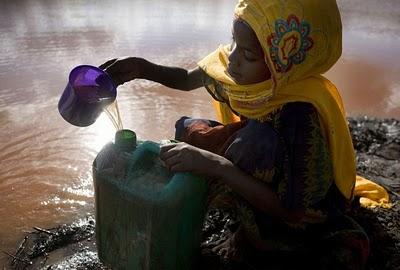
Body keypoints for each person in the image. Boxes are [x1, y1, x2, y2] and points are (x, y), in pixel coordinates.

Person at [100, 0, 390, 268]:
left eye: (248, 54)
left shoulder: (300, 113)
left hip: (298, 210)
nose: (233, 59)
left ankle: (253, 234)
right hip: (261, 157)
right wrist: (141, 68)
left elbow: (294, 211)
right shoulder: (248, 71)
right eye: (234, 43)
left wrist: (215, 166)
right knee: (189, 129)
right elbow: (189, 79)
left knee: (251, 144)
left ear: (282, 62)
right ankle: (241, 196)